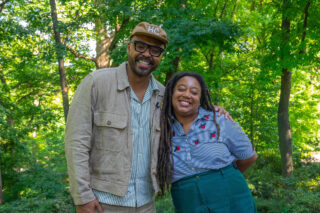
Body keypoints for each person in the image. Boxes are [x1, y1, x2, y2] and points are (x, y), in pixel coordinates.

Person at [65, 22, 230, 213]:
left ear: (161, 56)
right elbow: (76, 143)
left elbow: (188, 116)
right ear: (129, 46)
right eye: (140, 46)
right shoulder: (97, 83)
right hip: (103, 203)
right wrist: (83, 197)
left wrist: (213, 110)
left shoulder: (164, 95)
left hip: (146, 204)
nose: (147, 54)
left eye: (155, 50)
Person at [157, 72, 258, 213]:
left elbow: (249, 156)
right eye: (181, 89)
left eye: (194, 92)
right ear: (171, 93)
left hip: (232, 197)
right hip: (187, 200)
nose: (187, 95)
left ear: (200, 98)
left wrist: (219, 179)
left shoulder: (219, 120)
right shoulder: (158, 126)